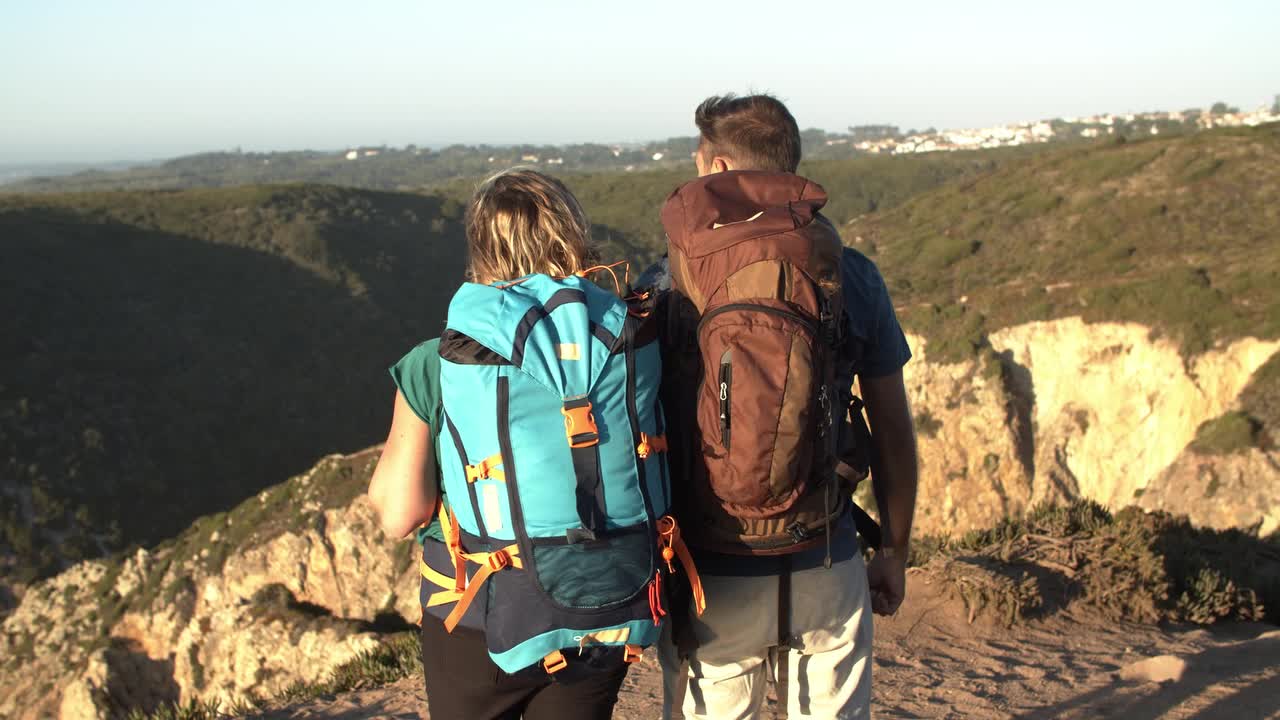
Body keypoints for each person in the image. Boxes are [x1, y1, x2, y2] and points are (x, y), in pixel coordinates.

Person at [651, 94, 920, 719]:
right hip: (826, 553)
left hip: (711, 572)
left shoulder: (669, 282)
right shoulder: (851, 274)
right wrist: (895, 552)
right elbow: (892, 431)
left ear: (718, 168)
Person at [366, 169, 633, 720]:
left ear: (481, 249)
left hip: (478, 610)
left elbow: (398, 514)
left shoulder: (436, 362)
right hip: (603, 600)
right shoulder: (625, 346)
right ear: (573, 238)